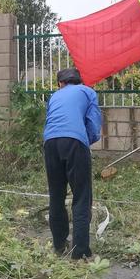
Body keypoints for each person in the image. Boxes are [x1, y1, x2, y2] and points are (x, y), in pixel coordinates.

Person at [43, 68, 102, 259]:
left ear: (61, 83)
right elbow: (93, 124)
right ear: (79, 80)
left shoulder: (54, 96)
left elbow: (50, 120)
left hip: (50, 142)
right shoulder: (88, 92)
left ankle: (59, 245)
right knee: (82, 196)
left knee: (56, 195)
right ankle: (80, 251)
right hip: (75, 143)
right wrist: (85, 141)